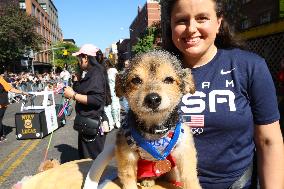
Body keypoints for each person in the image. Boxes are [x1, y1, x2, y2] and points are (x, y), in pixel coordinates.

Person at [161, 0, 284, 188]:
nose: (191, 28)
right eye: (181, 20)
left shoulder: (249, 67)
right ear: (170, 25)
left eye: (202, 18)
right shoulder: (156, 71)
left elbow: (269, 141)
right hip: (169, 184)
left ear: (218, 22)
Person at [63, 44, 108, 159]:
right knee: (86, 159)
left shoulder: (96, 73)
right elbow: (80, 90)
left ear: (86, 58)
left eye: (79, 58)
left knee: (92, 161)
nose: (78, 61)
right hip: (86, 123)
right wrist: (77, 77)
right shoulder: (90, 73)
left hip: (92, 124)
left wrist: (73, 95)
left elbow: (96, 100)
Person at [0, 75, 29, 142]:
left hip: (1, 104)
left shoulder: (1, 80)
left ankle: (1, 135)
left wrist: (22, 92)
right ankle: (2, 134)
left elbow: (10, 89)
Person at [104, 59, 121, 129]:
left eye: (105, 64)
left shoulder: (113, 70)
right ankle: (110, 123)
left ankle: (116, 121)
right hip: (106, 92)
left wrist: (118, 90)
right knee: (107, 108)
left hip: (114, 92)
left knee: (115, 107)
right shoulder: (103, 71)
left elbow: (118, 81)